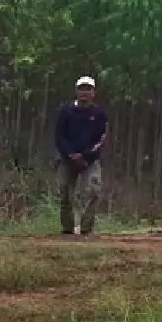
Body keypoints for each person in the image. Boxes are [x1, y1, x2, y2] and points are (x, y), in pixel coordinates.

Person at [54, 76, 108, 236]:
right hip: (67, 159)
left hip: (89, 160)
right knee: (64, 193)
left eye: (88, 89)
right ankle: (68, 228)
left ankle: (86, 229)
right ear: (76, 91)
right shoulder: (65, 111)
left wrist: (85, 156)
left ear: (94, 93)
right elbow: (59, 136)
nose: (84, 92)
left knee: (94, 191)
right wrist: (70, 154)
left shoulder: (99, 114)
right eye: (82, 88)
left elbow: (101, 139)